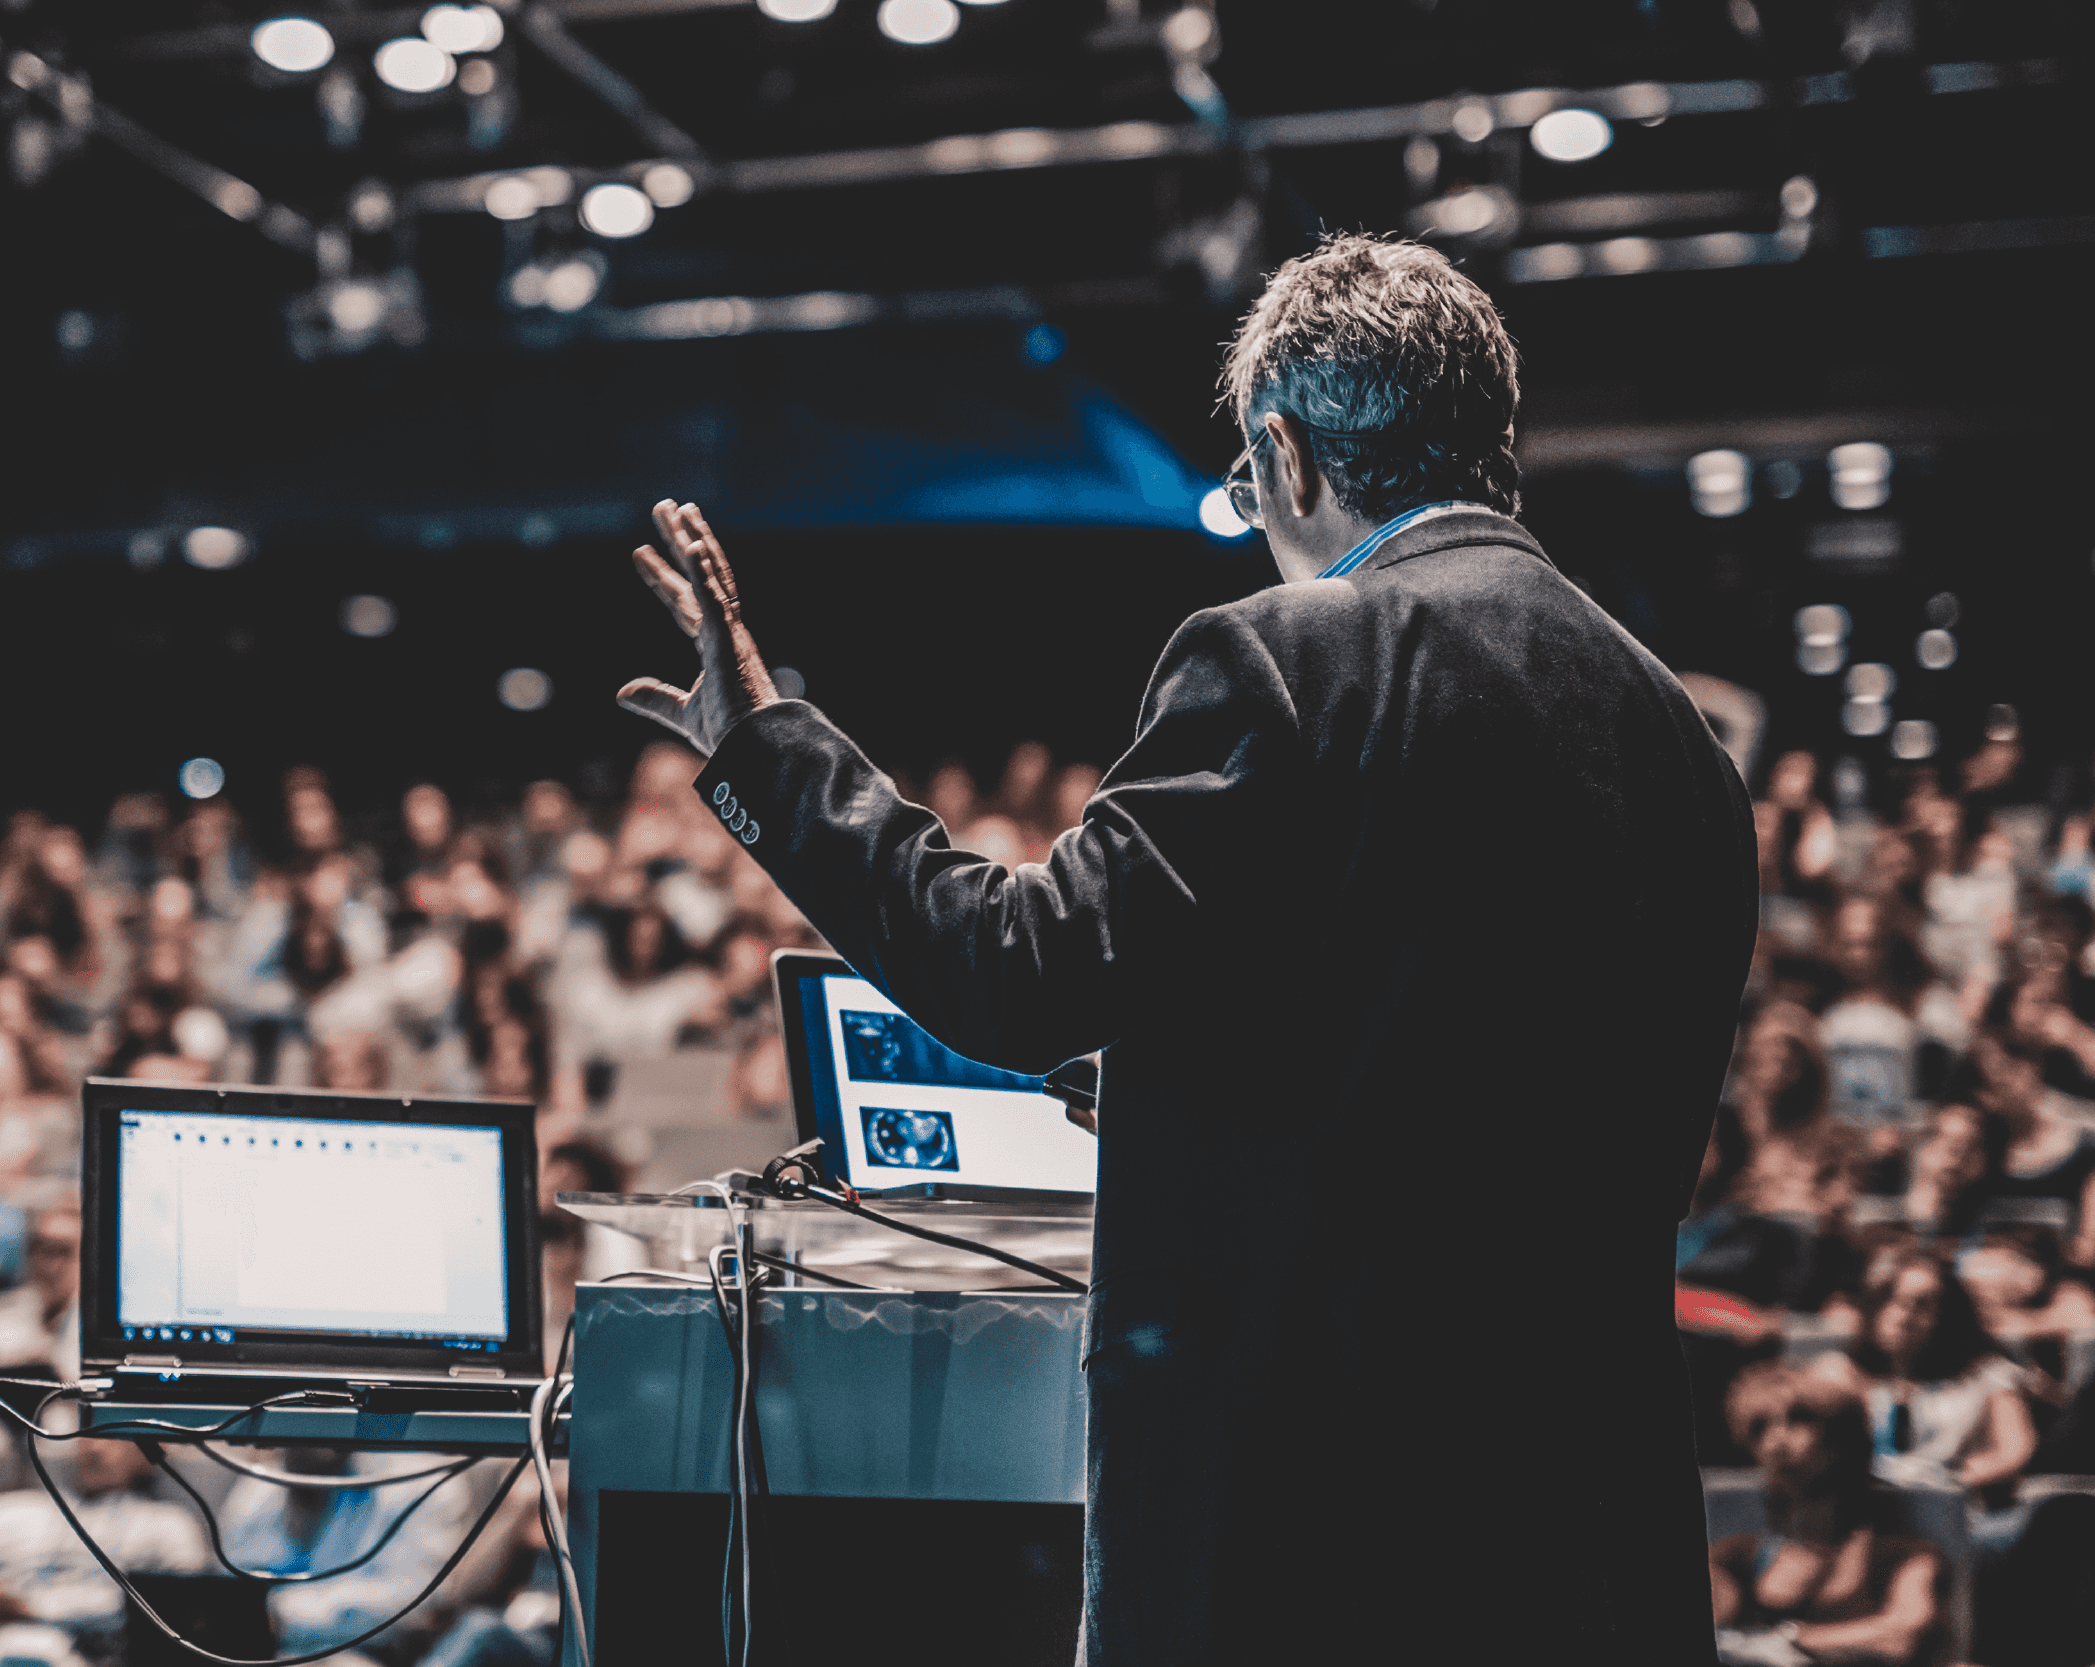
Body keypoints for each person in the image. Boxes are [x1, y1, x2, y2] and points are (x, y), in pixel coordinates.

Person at [612, 233, 1760, 1662]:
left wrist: (764, 745)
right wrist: (1187, 1076)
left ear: (1282, 456)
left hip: (1313, 1526)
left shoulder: (1293, 651)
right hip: (1586, 1531)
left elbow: (1012, 967)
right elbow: (1472, 1073)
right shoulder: (1678, 741)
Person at [1709, 1362, 1943, 1667]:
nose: (1776, 1441)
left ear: (1843, 1438)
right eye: (1759, 1428)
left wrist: (1792, 1639)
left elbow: (1900, 1638)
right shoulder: (1735, 1559)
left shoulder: (1903, 1556)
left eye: (1798, 1420)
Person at [0, 1437, 208, 1657]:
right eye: (88, 1434)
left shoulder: (169, 1526)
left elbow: (181, 1613)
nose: (94, 1447)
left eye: (114, 1437)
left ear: (153, 1449)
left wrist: (29, 1608)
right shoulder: (15, 1512)